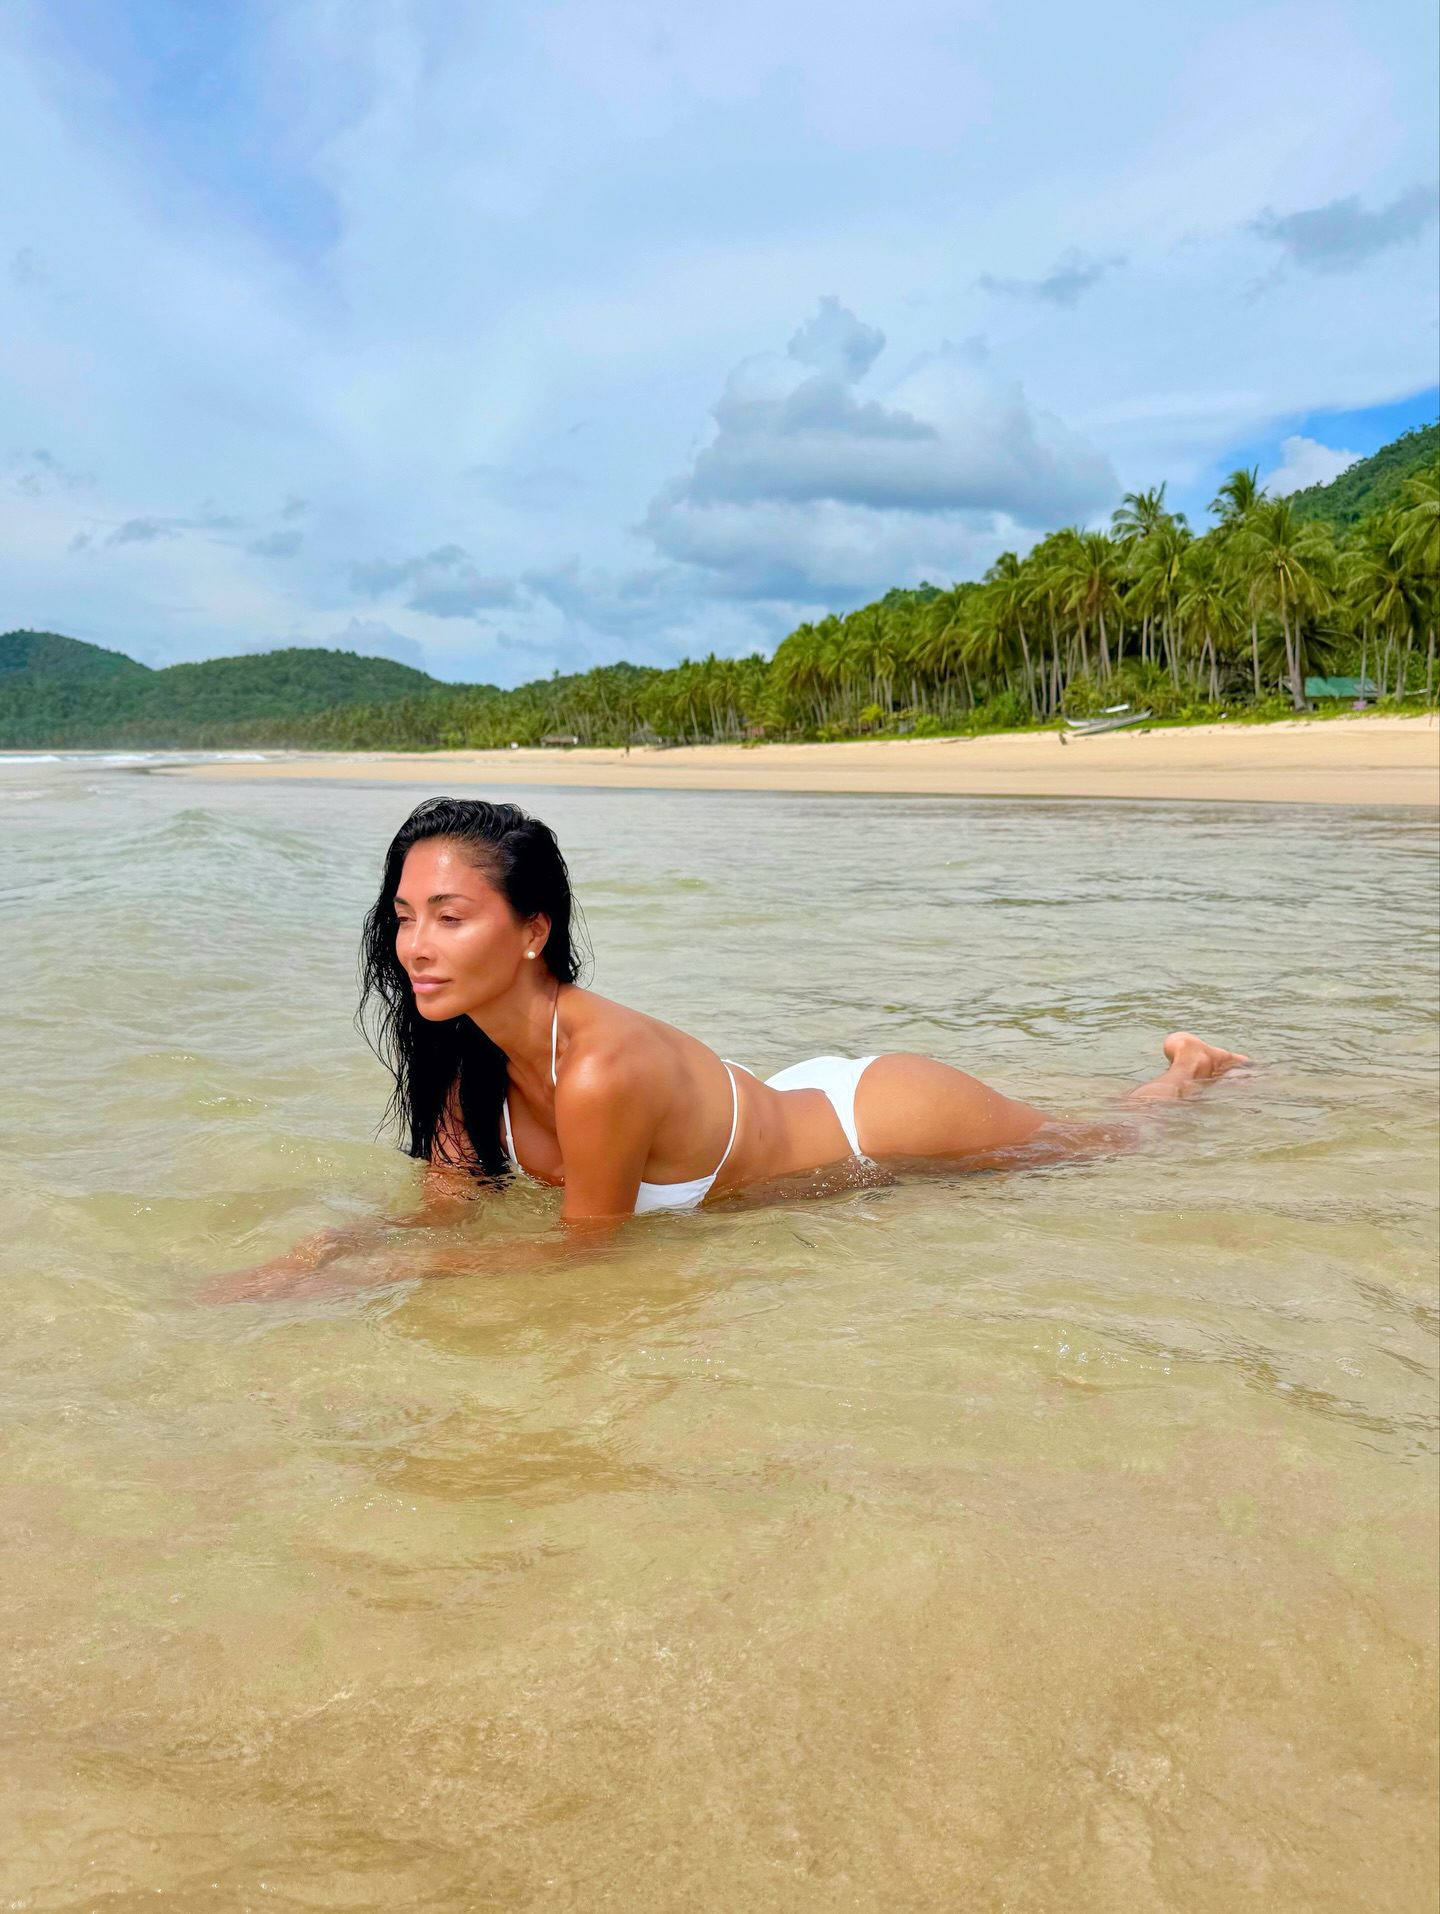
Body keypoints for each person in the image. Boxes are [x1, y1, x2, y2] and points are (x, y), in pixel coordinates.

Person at [207, 796, 1247, 1300]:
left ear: (531, 932)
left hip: (869, 1121)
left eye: (448, 916)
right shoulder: (466, 1064)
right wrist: (326, 1250)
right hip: (767, 1111)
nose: (415, 947)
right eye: (403, 917)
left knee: (1095, 1148)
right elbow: (444, 1216)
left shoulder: (600, 1068)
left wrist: (371, 1284)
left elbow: (590, 1257)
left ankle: (1185, 1075)